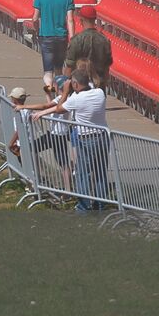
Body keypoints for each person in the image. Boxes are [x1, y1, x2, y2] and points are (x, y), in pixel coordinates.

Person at [38, 70, 110, 213]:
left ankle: (83, 207)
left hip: (87, 139)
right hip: (103, 136)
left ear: (75, 84)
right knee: (100, 172)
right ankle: (100, 204)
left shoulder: (75, 99)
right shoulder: (99, 93)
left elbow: (59, 108)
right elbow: (90, 84)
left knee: (82, 174)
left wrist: (65, 91)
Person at [33, 0, 77, 96]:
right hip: (61, 37)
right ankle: (59, 95)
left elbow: (35, 18)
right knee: (59, 69)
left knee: (48, 72)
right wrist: (72, 37)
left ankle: (49, 96)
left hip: (46, 36)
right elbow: (70, 20)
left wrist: (37, 30)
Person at [65, 6, 113, 87]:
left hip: (79, 85)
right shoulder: (104, 40)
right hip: (98, 83)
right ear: (95, 19)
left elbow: (69, 66)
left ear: (81, 20)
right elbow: (106, 67)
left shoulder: (76, 40)